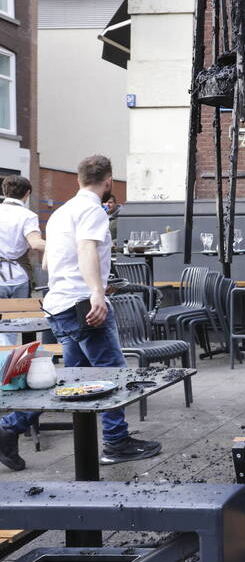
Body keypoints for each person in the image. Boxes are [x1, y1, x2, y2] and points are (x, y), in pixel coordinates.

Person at [0, 156, 160, 471]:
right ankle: (116, 442)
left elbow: (47, 263)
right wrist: (97, 293)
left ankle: (10, 428)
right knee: (113, 372)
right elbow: (87, 249)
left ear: (78, 179)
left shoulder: (61, 213)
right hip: (81, 304)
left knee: (73, 379)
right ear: (108, 181)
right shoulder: (92, 211)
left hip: (58, 303)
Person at [0, 176, 45, 346]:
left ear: (4, 192)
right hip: (18, 276)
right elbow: (36, 243)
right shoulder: (28, 216)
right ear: (27, 194)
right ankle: (8, 362)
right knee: (15, 324)